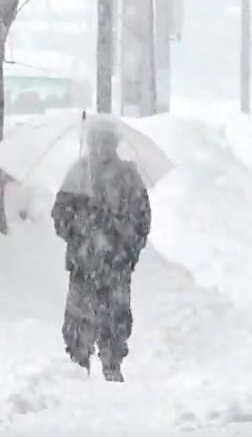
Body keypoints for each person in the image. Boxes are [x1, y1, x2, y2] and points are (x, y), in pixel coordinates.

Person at [51, 128, 151, 383]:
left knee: (116, 315)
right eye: (94, 142)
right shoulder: (77, 175)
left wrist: (127, 248)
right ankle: (78, 362)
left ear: (114, 144)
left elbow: (141, 219)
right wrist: (78, 223)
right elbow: (59, 216)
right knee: (77, 316)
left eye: (105, 142)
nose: (99, 148)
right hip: (83, 262)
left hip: (116, 262)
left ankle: (112, 361)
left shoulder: (128, 176)